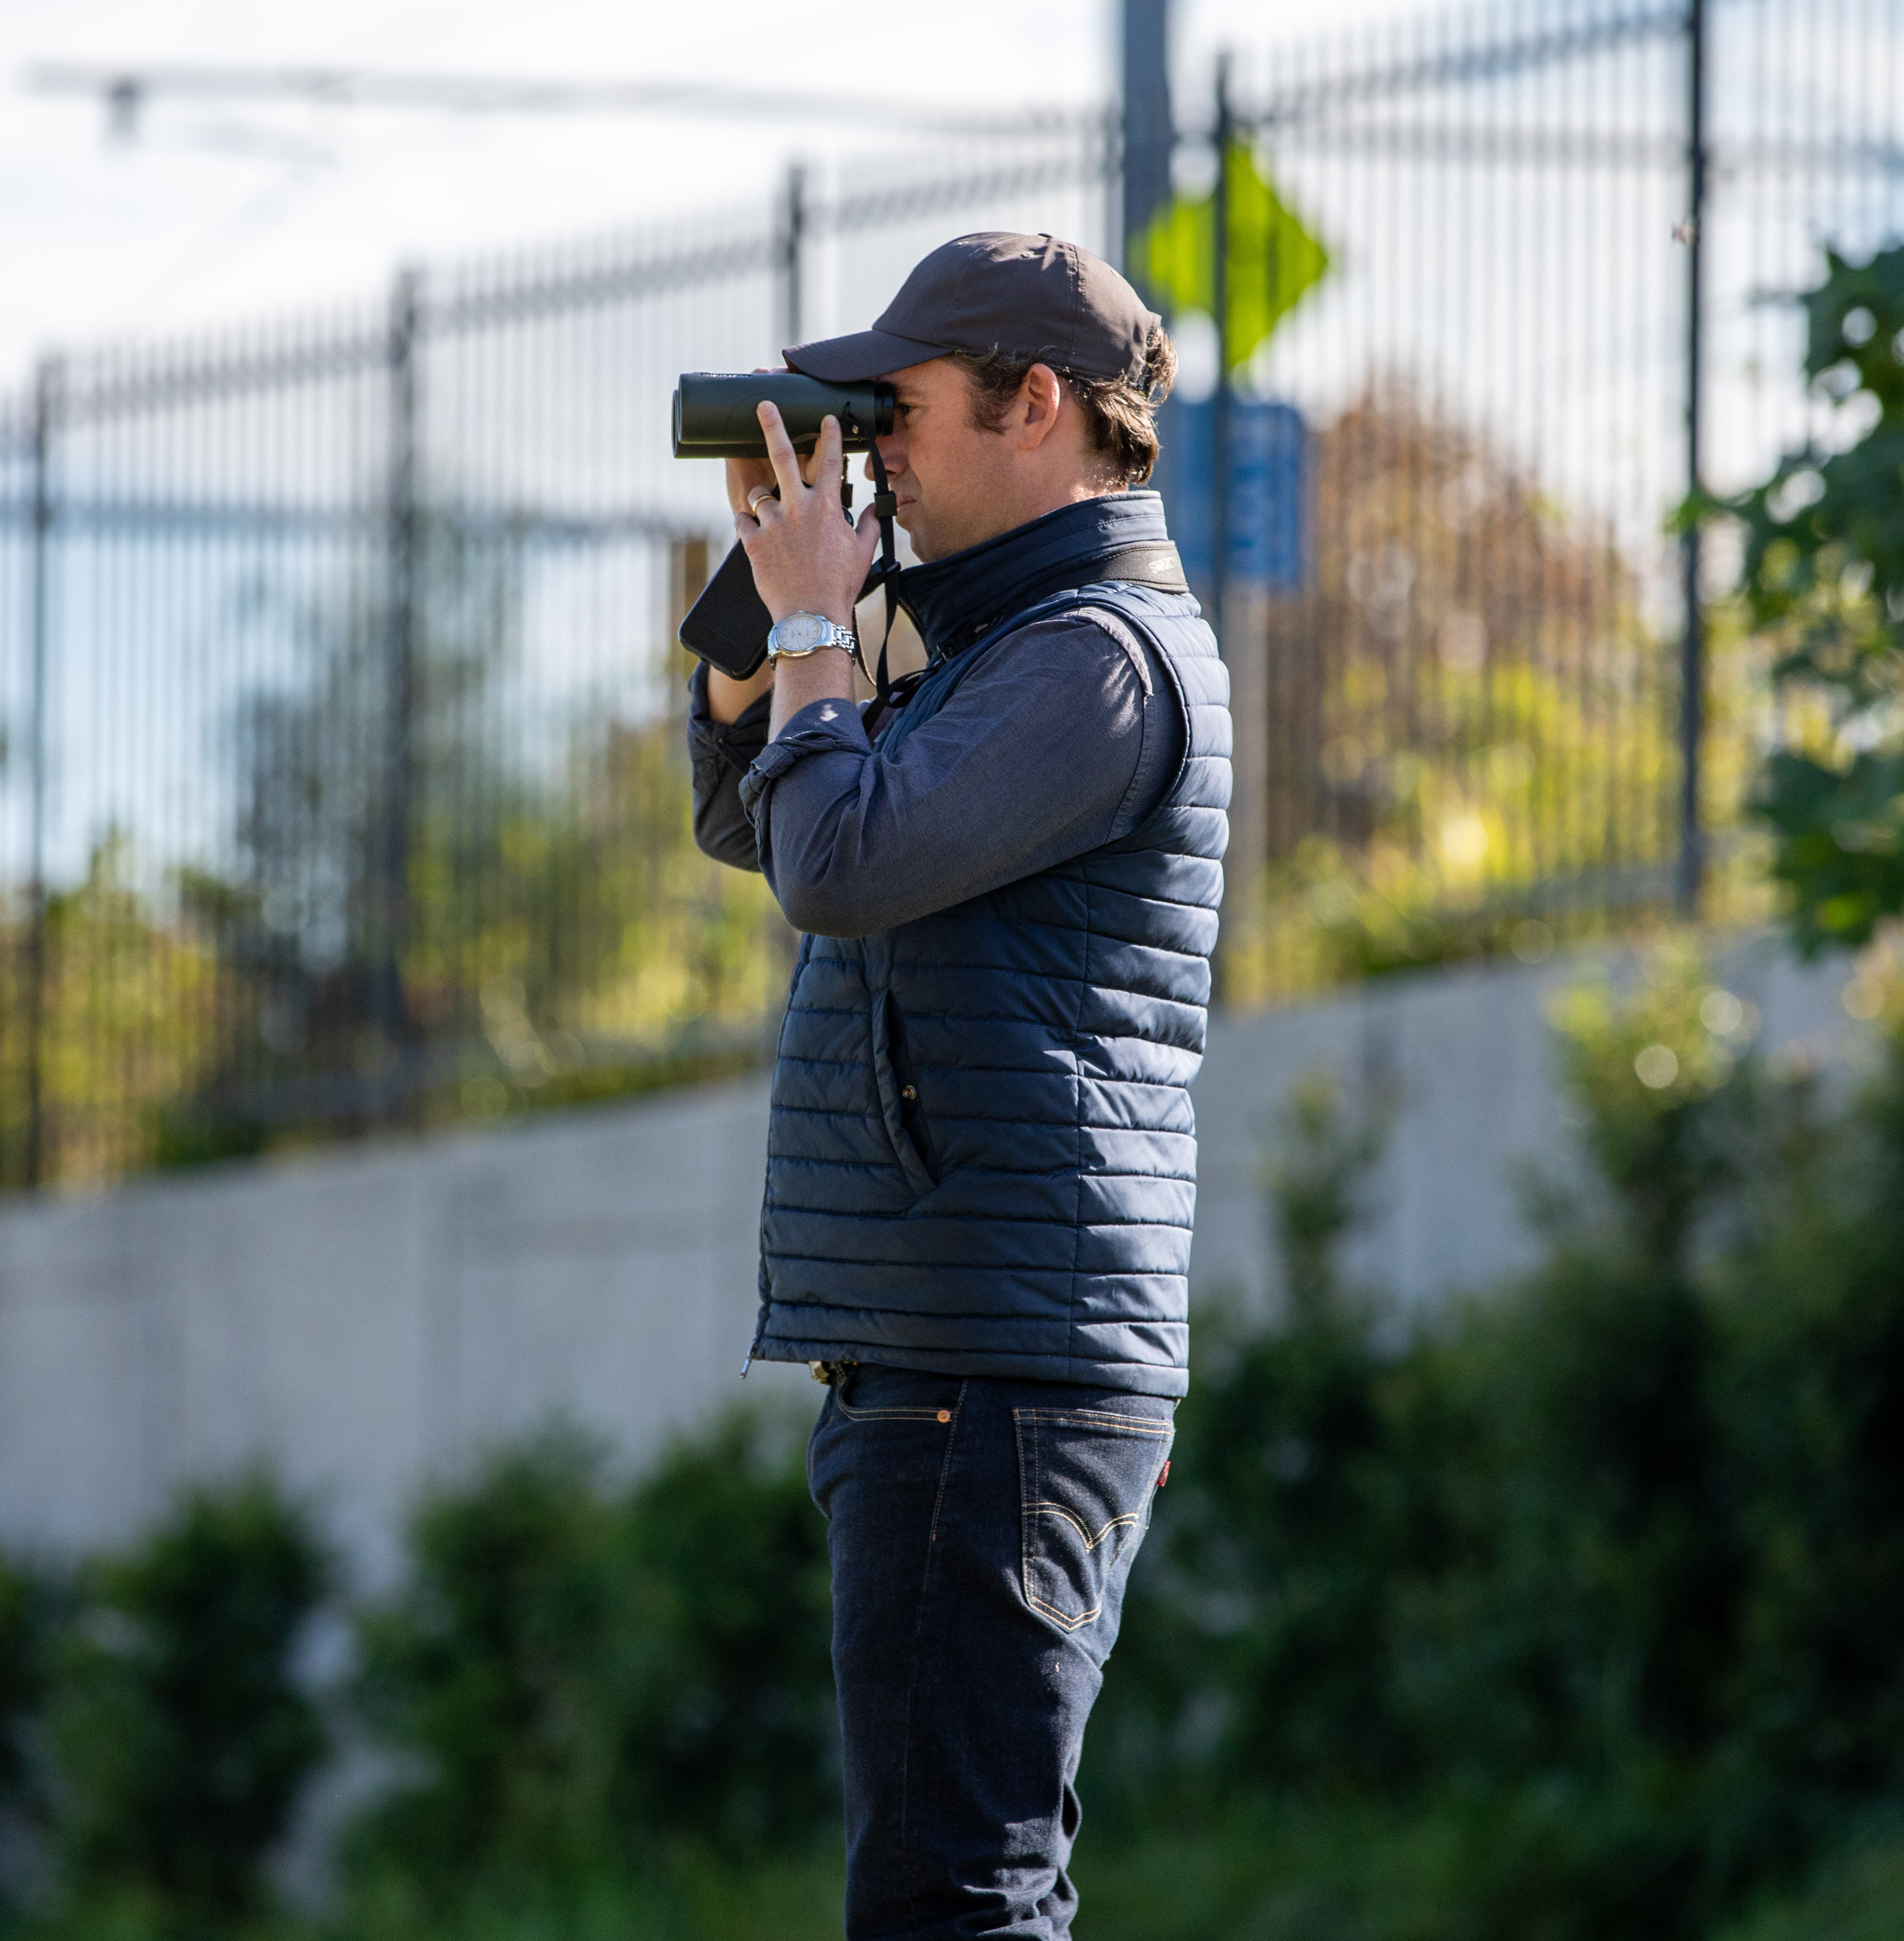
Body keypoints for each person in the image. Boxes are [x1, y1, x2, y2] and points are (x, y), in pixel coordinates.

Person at [686, 231, 1230, 1941]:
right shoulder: (1005, 643)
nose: (882, 449)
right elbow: (757, 814)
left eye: (898, 409)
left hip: (992, 1364)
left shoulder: (1099, 657)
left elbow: (837, 865)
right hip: (958, 1352)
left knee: (955, 1896)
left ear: (1035, 402)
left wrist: (814, 621)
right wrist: (765, 605)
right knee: (958, 1886)